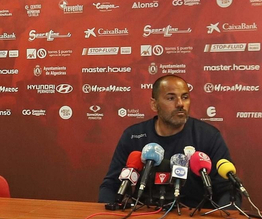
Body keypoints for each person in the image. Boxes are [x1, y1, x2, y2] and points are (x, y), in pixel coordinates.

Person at [97, 74, 232, 206]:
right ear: (154, 105)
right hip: (142, 218)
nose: (180, 104)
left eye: (185, 97)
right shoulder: (133, 136)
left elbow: (227, 190)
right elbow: (111, 185)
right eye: (171, 98)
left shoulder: (208, 136)